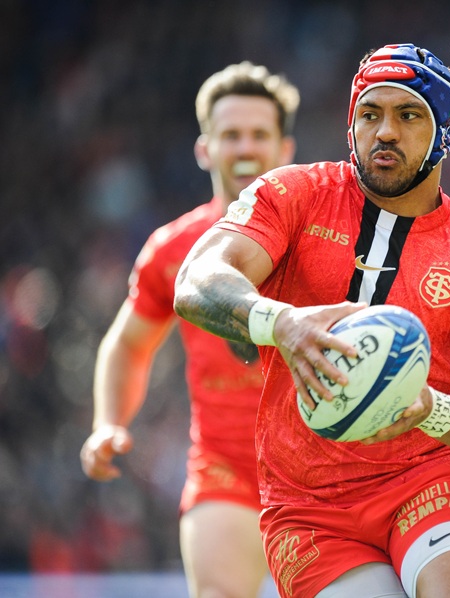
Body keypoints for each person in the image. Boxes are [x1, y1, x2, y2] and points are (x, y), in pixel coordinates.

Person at [172, 43, 450, 598]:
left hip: (429, 479)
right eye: (370, 115)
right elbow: (196, 278)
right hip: (309, 505)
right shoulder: (292, 196)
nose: (385, 132)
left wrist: (427, 408)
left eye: (408, 115)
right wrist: (283, 323)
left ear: (444, 131)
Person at [80, 62, 299, 597]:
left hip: (321, 470)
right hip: (224, 470)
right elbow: (128, 344)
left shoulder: (327, 234)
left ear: (284, 149)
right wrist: (109, 422)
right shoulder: (172, 249)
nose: (245, 147)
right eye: (230, 135)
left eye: (258, 134)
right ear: (205, 149)